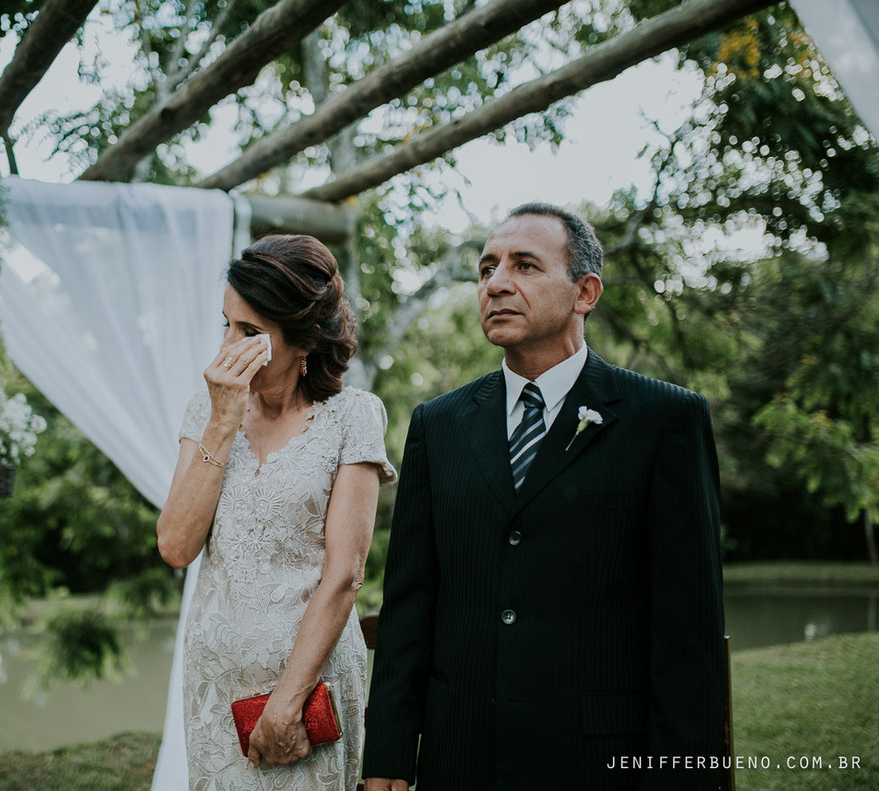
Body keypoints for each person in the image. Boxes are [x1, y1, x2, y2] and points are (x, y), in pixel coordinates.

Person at [362, 203, 726, 790]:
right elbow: (410, 607)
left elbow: (690, 636)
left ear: (585, 292)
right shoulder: (438, 424)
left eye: (525, 266)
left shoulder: (666, 420)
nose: (497, 283)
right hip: (459, 761)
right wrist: (386, 760)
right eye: (486, 270)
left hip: (600, 762)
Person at [157, 234, 396, 790]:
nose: (228, 348)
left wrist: (288, 703)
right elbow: (176, 547)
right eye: (226, 325)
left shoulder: (352, 416)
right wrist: (222, 421)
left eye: (250, 333)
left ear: (303, 340)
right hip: (216, 685)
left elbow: (345, 575)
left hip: (308, 688)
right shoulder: (207, 409)